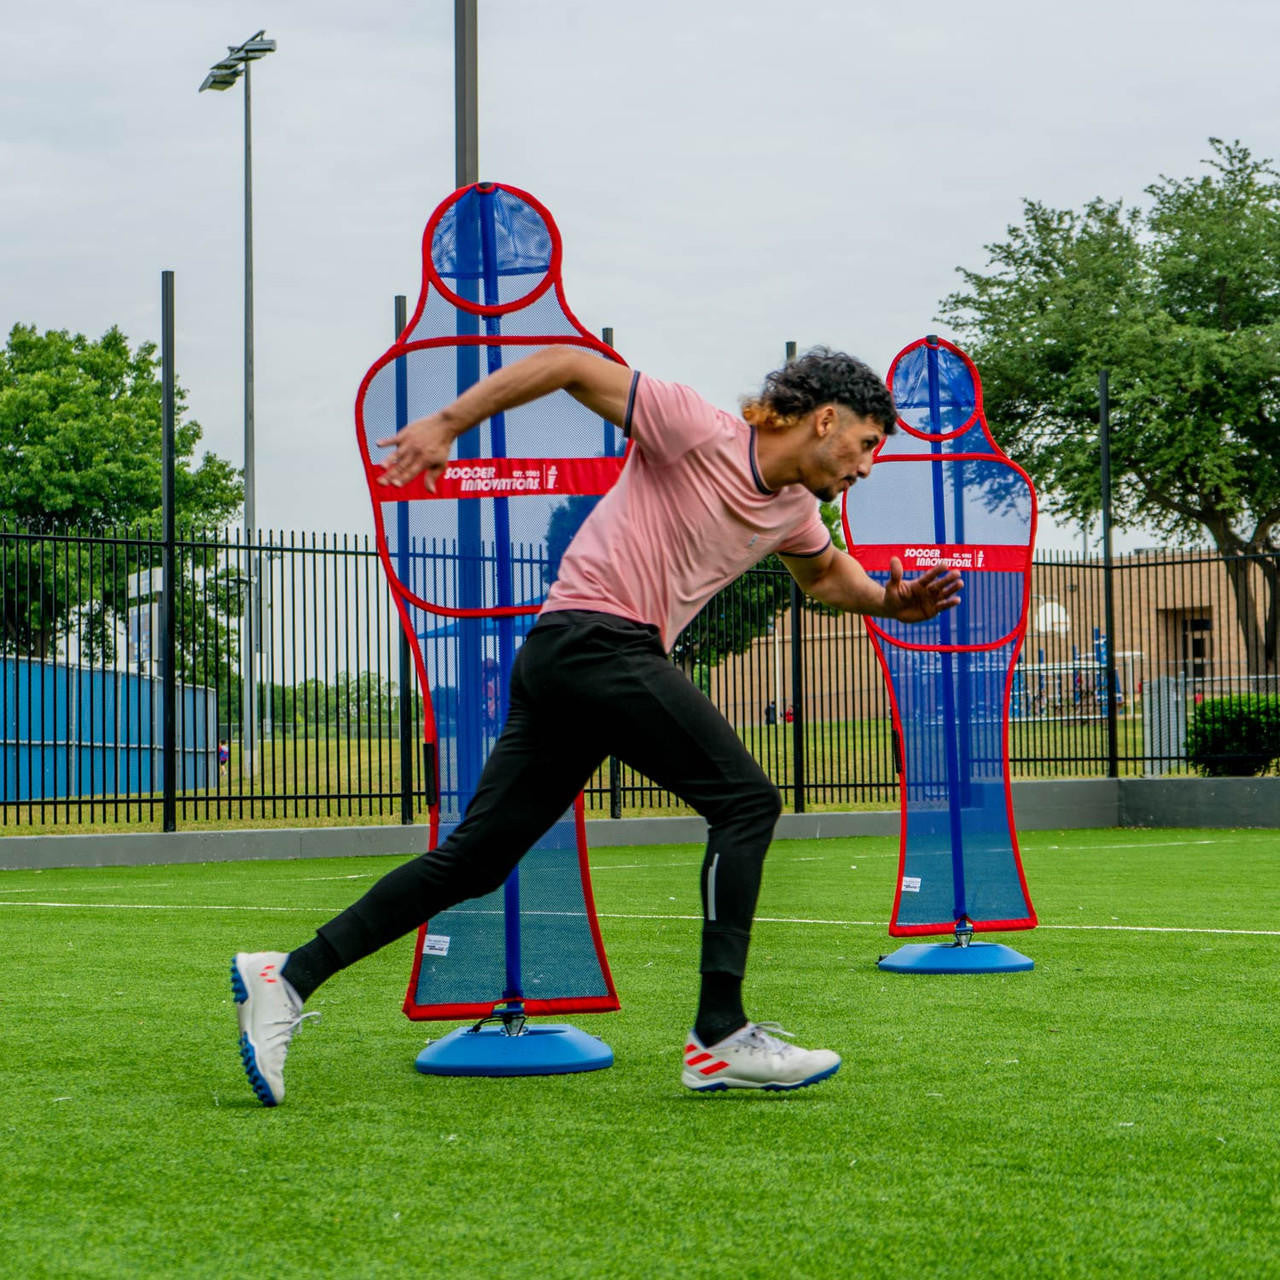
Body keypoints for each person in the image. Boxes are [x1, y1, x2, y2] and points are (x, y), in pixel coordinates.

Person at [230, 346, 961, 1106]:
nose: (868, 467)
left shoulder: (794, 510)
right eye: (870, 444)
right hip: (594, 639)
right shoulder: (693, 428)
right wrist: (448, 422)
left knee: (476, 861)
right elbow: (569, 364)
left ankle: (288, 975)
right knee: (746, 802)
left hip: (572, 660)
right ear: (825, 419)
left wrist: (886, 600)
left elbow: (823, 574)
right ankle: (718, 1035)